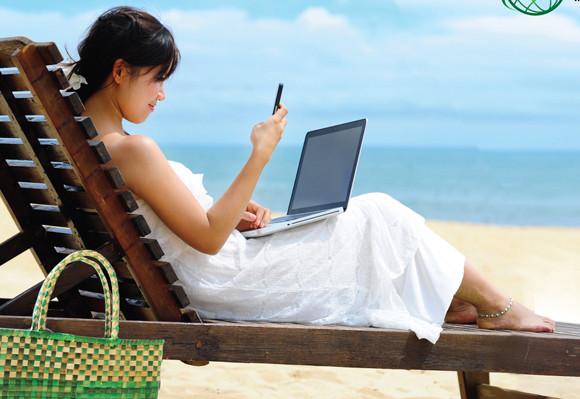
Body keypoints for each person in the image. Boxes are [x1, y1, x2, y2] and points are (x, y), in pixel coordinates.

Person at [68, 6, 554, 344]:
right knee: (379, 212)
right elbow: (209, 240)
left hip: (206, 277)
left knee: (357, 218)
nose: (162, 94)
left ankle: (454, 298)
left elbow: (189, 226)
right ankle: (498, 307)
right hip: (224, 283)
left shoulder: (95, 146)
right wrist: (260, 153)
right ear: (120, 71)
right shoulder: (132, 149)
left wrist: (231, 213)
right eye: (157, 78)